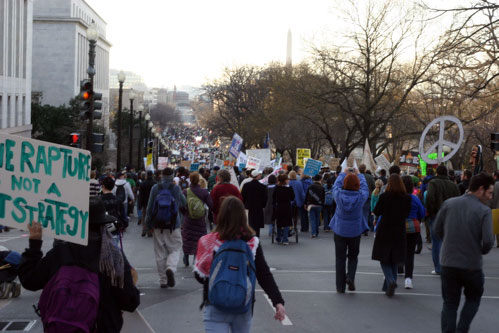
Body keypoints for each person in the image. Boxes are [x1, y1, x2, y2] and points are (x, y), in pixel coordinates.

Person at [18, 197, 140, 332]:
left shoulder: (61, 251)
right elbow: (131, 302)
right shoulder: (113, 257)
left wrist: (34, 244)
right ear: (102, 225)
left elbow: (30, 280)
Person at [193, 196, 286, 332]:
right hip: (243, 305)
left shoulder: (208, 242)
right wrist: (277, 301)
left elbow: (200, 276)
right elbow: (263, 274)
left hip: (215, 304)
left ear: (221, 215)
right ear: (243, 216)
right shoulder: (252, 243)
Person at [434, 172, 494, 332]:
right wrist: (480, 250)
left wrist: (449, 241)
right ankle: (462, 328)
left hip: (448, 261)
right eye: (489, 192)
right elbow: (488, 240)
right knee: (473, 298)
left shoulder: (449, 204)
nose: (490, 197)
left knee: (450, 302)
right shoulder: (484, 211)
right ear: (480, 189)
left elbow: (437, 229)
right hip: (471, 264)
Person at [145, 167, 187, 289]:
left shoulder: (155, 188)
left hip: (158, 224)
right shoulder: (176, 188)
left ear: (162, 176)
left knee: (159, 252)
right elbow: (183, 203)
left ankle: (163, 280)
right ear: (172, 176)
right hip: (174, 224)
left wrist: (148, 224)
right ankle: (171, 267)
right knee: (175, 248)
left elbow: (149, 207)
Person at [329, 168, 369, 293]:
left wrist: (342, 174)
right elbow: (365, 188)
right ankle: (350, 277)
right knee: (353, 256)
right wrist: (359, 175)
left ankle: (340, 287)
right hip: (355, 230)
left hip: (340, 229)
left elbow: (335, 186)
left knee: (340, 258)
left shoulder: (339, 195)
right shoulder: (361, 196)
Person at [372, 174, 411, 297]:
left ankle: (390, 281)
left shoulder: (385, 196)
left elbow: (377, 211)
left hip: (385, 229)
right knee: (394, 258)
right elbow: (407, 213)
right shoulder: (407, 198)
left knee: (384, 258)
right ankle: (389, 286)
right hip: (399, 230)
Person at [425, 165, 460, 275]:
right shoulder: (453, 185)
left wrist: (430, 211)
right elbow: (458, 200)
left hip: (436, 214)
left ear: (437, 173)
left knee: (436, 242)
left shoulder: (433, 183)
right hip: (450, 216)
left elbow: (429, 197)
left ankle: (438, 268)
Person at [181, 172, 213, 267]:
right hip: (200, 219)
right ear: (198, 180)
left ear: (190, 180)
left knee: (187, 238)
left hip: (188, 219)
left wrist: (186, 213)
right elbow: (211, 205)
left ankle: (186, 256)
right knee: (199, 238)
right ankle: (196, 257)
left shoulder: (185, 192)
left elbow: (181, 206)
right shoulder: (204, 192)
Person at [401, 176, 425, 289]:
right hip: (413, 227)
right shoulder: (414, 198)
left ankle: (397, 268)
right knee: (410, 253)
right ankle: (408, 279)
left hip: (399, 226)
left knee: (397, 249)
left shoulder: (398, 197)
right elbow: (422, 212)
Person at [241, 170, 268, 237]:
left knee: (250, 223)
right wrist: (263, 205)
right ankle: (257, 237)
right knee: (257, 224)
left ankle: (250, 237)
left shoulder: (246, 185)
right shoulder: (262, 187)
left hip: (248, 207)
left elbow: (243, 196)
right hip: (258, 207)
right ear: (257, 176)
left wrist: (244, 204)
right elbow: (265, 198)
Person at [273, 174, 295, 245]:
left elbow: (274, 197)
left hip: (279, 206)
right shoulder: (289, 188)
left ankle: (279, 237)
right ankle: (285, 239)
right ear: (285, 180)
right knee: (287, 223)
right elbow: (292, 197)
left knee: (279, 222)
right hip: (287, 206)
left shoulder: (277, 187)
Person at [359, 164, 376, 234]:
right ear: (365, 169)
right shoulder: (370, 177)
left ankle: (359, 228)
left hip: (358, 197)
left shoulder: (357, 176)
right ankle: (365, 229)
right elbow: (374, 186)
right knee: (366, 213)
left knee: (358, 213)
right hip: (368, 197)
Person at [139, 171, 156, 237]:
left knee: (144, 216)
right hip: (153, 203)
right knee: (151, 216)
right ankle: (150, 231)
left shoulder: (143, 183)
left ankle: (144, 229)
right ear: (152, 175)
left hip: (145, 202)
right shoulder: (155, 183)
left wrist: (140, 204)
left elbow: (141, 195)